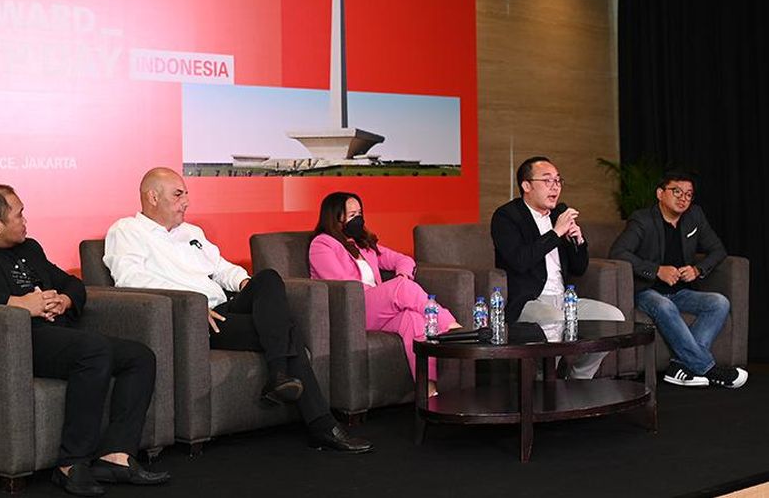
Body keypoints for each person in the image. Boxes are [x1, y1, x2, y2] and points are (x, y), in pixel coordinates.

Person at [103, 167, 372, 454]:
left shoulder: (191, 232)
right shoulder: (127, 231)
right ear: (153, 197)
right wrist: (188, 303)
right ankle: (319, 423)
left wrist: (244, 282)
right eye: (178, 195)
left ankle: (280, 377)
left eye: (186, 195)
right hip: (192, 319)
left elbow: (221, 268)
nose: (186, 202)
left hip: (223, 306)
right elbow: (130, 279)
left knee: (267, 278)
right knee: (288, 330)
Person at [0, 185, 170, 497]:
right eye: (19, 215)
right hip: (13, 340)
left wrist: (65, 300)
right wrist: (17, 304)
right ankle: (70, 463)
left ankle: (116, 456)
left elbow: (72, 283)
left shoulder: (29, 248)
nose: (25, 221)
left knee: (139, 356)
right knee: (93, 350)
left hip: (58, 333)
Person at [308, 192, 461, 397]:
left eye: (360, 213)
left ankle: (428, 391)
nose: (358, 219)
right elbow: (341, 284)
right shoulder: (322, 244)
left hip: (375, 310)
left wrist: (402, 275)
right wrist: (386, 293)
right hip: (351, 310)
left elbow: (404, 260)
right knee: (401, 288)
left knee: (413, 319)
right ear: (335, 218)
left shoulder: (364, 245)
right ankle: (450, 327)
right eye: (352, 215)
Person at [609, 172, 747, 388]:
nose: (683, 198)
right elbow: (618, 253)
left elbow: (718, 250)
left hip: (681, 291)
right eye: (677, 192)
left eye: (689, 194)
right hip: (647, 291)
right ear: (660, 193)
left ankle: (679, 366)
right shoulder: (642, 219)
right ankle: (708, 369)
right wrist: (656, 270)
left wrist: (697, 270)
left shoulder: (694, 216)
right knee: (664, 305)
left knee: (719, 302)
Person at [491, 156, 624, 379]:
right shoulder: (507, 216)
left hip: (565, 300)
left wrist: (578, 241)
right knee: (554, 318)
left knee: (613, 319)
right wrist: (555, 233)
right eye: (547, 180)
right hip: (528, 301)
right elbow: (519, 261)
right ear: (526, 186)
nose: (555, 187)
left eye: (558, 180)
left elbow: (580, 269)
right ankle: (545, 384)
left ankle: (579, 378)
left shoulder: (558, 215)